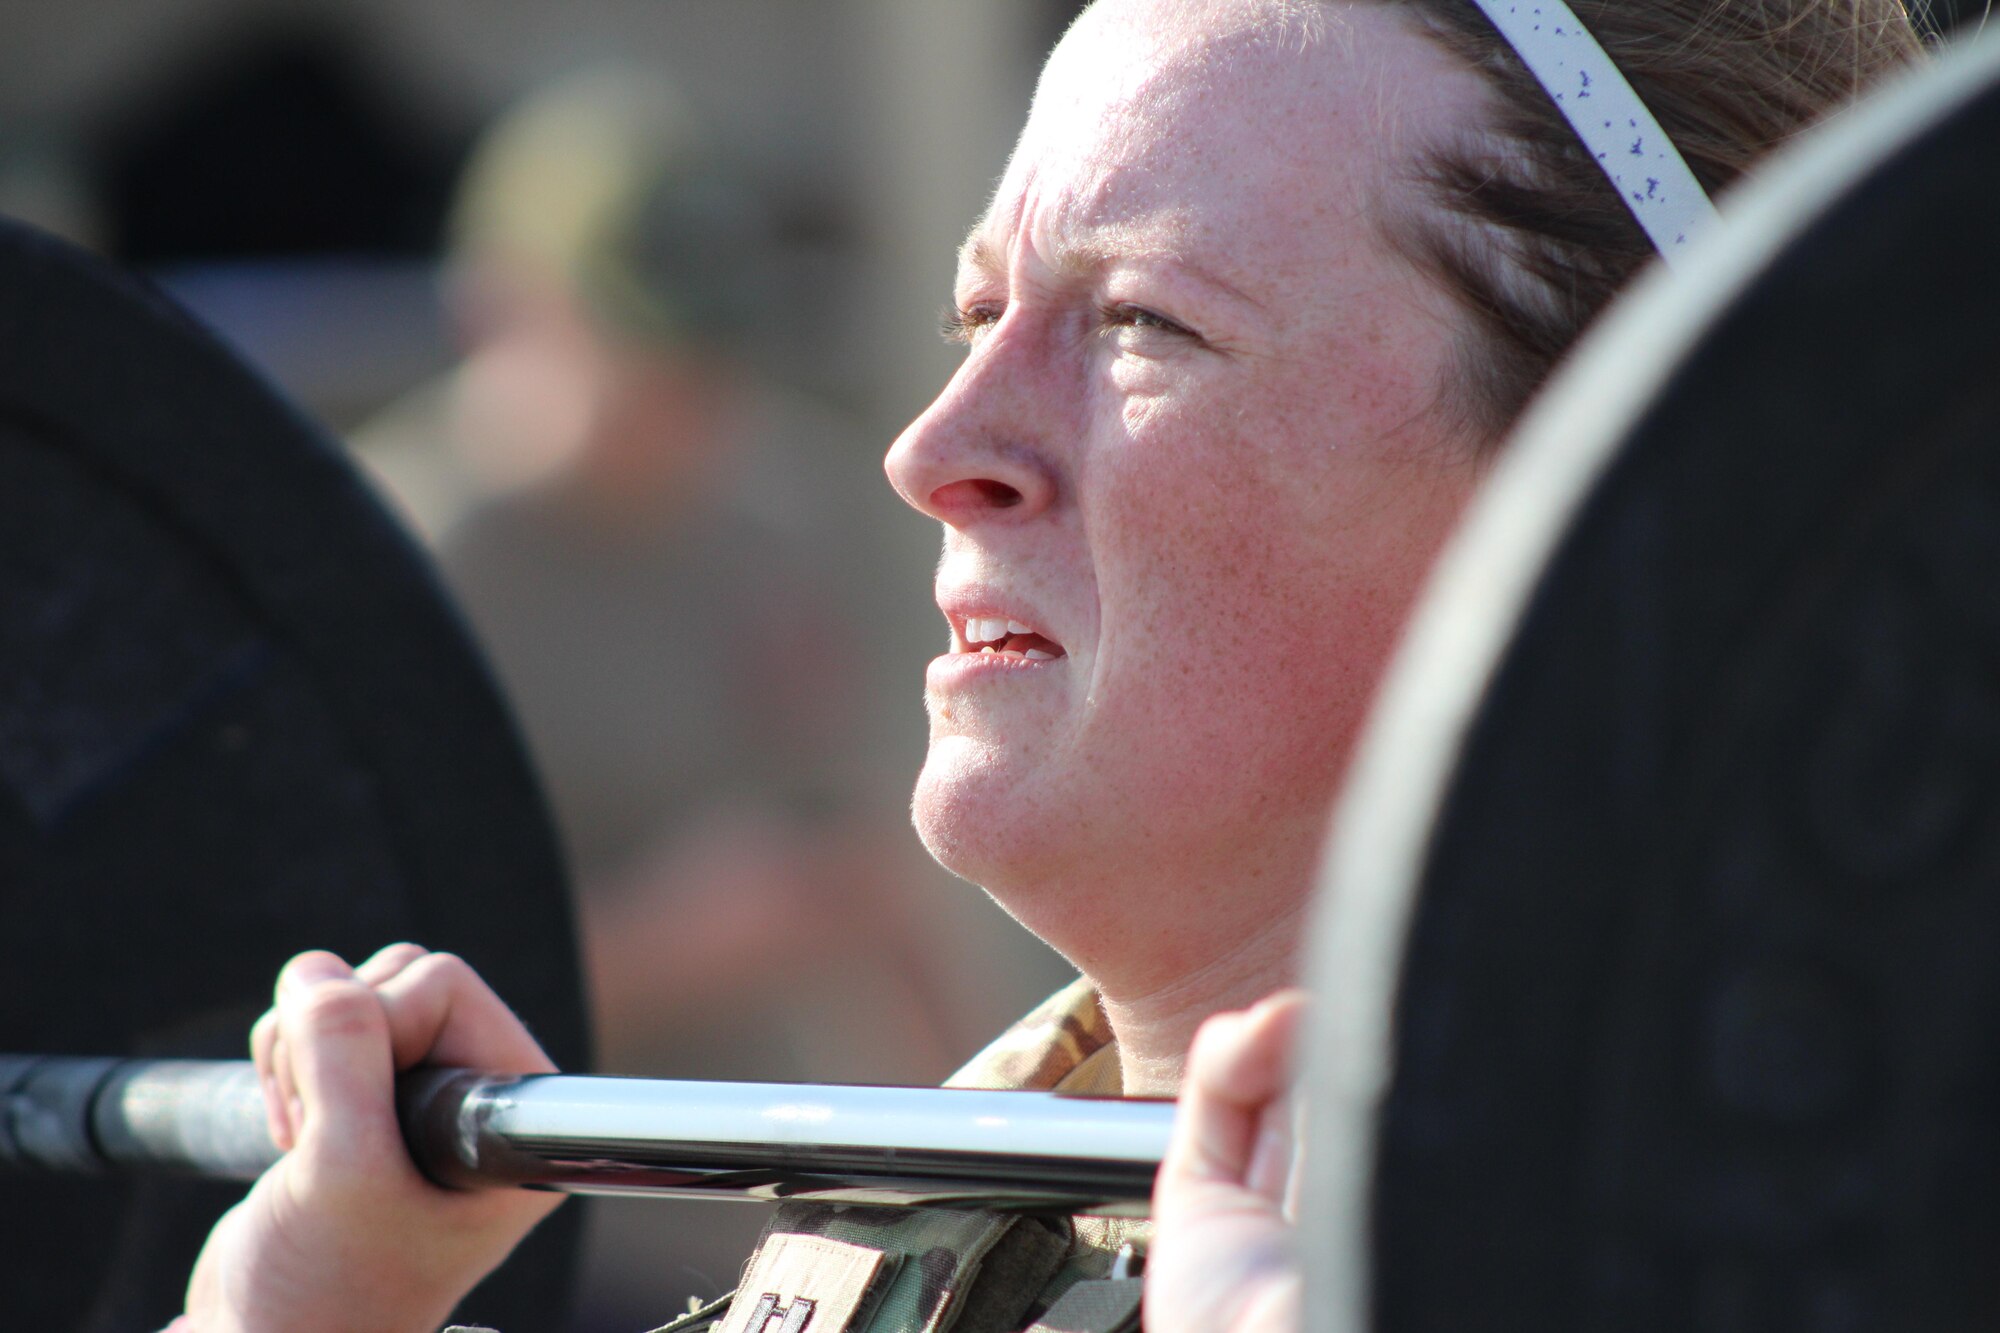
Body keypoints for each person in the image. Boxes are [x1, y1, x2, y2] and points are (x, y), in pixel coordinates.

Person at [164, 1, 1924, 1330]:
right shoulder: (919, 1225)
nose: (938, 446)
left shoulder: (1844, 1238)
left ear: (1621, 486)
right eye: (976, 313)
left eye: (1149, 321)